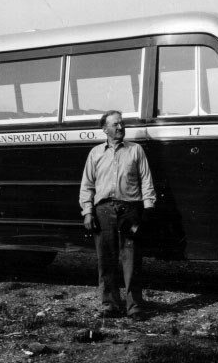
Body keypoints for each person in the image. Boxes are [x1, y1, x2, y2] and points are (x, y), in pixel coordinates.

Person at [79, 110, 156, 321]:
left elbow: (146, 180)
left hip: (130, 210)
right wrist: (87, 212)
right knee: (106, 260)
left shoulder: (135, 150)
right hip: (103, 211)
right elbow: (87, 186)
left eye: (122, 124)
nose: (120, 128)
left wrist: (148, 208)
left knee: (131, 260)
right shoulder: (95, 153)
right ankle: (110, 305)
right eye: (115, 124)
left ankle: (134, 307)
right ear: (104, 129)